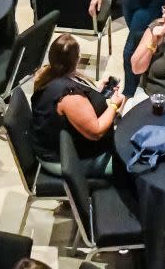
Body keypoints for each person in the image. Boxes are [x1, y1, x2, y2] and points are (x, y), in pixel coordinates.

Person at [30, 32, 124, 181]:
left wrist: (97, 91)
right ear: (77, 59)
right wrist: (114, 105)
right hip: (66, 161)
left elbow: (80, 105)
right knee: (130, 162)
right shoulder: (69, 96)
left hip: (62, 149)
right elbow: (96, 131)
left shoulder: (50, 74)